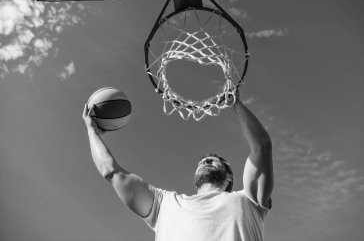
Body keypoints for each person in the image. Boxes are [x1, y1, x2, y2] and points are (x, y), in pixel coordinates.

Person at [82, 92, 274, 241]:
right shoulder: (164, 205)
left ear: (230, 178)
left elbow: (262, 146)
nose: (206, 161)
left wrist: (236, 104)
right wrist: (91, 130)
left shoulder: (249, 201)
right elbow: (111, 172)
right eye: (202, 161)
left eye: (216, 160)